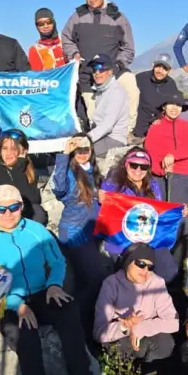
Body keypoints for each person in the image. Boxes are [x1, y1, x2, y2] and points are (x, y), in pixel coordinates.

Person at [0, 185, 119, 375]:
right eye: (0, 209)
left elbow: (57, 260)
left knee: (68, 308)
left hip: (41, 292)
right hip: (5, 302)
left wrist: (54, 284)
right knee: (26, 339)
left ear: (21, 207)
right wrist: (16, 304)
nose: (8, 213)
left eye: (14, 207)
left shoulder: (35, 230)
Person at [62, 0, 139, 135]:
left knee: (132, 87)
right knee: (94, 117)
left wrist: (118, 66)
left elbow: (128, 48)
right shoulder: (76, 17)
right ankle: (99, 145)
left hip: (115, 72)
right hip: (88, 76)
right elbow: (66, 39)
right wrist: (74, 54)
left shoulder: (118, 17)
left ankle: (128, 132)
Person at [52, 134, 110, 335]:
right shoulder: (67, 171)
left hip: (93, 231)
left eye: (86, 150)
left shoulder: (94, 171)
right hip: (75, 232)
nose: (83, 154)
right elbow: (58, 189)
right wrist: (63, 155)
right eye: (78, 151)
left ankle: (88, 321)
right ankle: (77, 322)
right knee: (96, 277)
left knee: (89, 278)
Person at [99, 147, 181, 283]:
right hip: (124, 240)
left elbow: (158, 213)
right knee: (135, 273)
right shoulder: (114, 183)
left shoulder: (153, 184)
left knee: (169, 270)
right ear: (126, 164)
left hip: (149, 238)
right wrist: (101, 197)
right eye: (134, 165)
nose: (138, 170)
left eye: (143, 167)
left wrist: (178, 212)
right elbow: (105, 203)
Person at [94, 243, 178, 363]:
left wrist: (140, 328)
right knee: (118, 346)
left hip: (145, 337)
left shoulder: (157, 283)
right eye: (141, 264)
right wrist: (124, 326)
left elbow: (174, 322)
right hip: (120, 339)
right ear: (128, 262)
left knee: (165, 342)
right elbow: (99, 332)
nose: (145, 270)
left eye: (150, 267)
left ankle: (148, 372)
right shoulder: (111, 284)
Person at [144, 95, 188, 232]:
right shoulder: (155, 128)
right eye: (171, 104)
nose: (175, 108)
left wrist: (173, 155)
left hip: (187, 174)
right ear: (164, 107)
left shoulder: (187, 126)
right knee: (181, 216)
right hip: (166, 175)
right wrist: (161, 170)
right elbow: (151, 152)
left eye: (178, 105)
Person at [0, 132, 44, 229]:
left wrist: (18, 169)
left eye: (14, 148)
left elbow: (32, 200)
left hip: (17, 221)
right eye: (4, 148)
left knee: (38, 211)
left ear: (24, 150)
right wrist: (2, 225)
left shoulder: (28, 170)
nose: (8, 153)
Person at [85, 54, 129, 156]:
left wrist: (86, 139)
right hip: (102, 136)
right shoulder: (101, 90)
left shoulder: (116, 92)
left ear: (110, 71)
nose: (97, 73)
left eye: (101, 69)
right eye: (94, 69)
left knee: (81, 153)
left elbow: (107, 125)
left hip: (114, 139)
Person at [132, 53, 180, 141]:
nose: (160, 71)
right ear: (153, 65)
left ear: (170, 70)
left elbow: (173, 107)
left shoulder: (171, 84)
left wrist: (161, 119)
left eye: (165, 68)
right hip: (137, 128)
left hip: (158, 129)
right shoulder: (140, 78)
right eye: (158, 66)